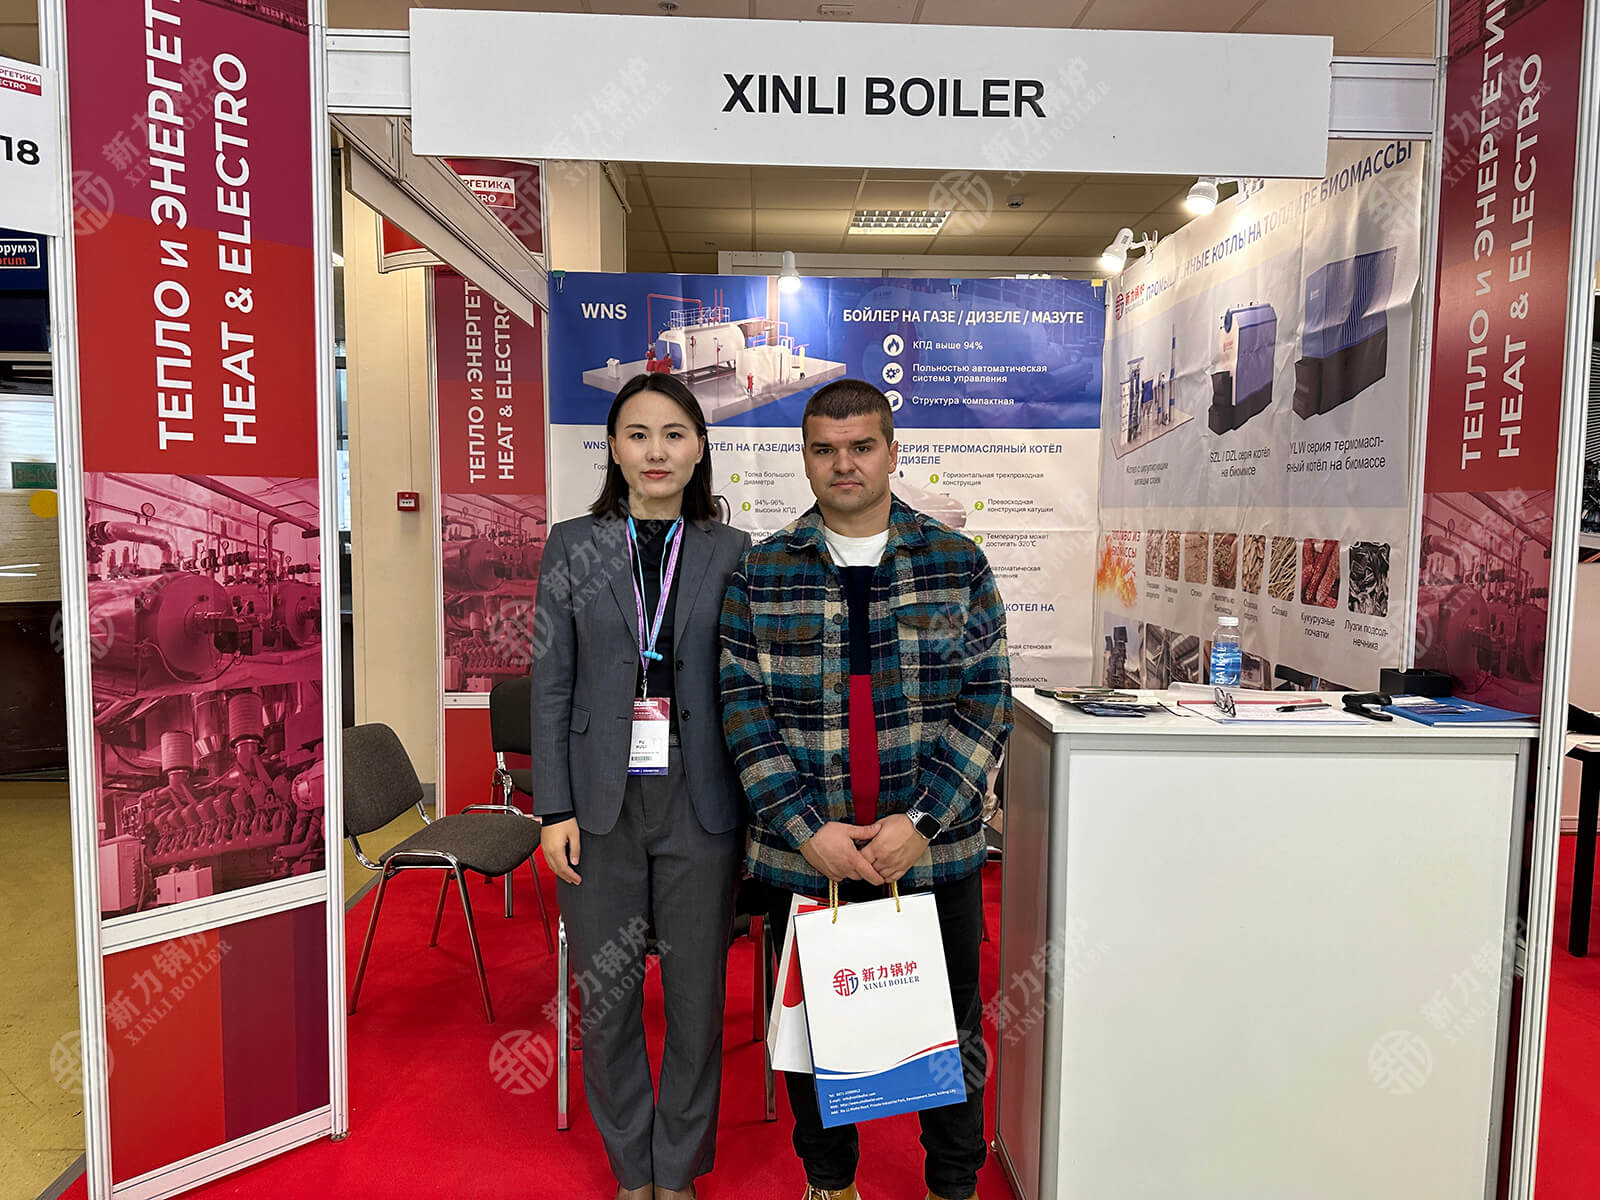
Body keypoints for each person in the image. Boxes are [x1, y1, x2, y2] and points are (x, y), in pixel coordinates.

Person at [720, 379, 1013, 1200]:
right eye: (824, 449)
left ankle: (952, 1184)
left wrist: (920, 822)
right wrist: (803, 828)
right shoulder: (762, 572)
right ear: (805, 458)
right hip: (807, 857)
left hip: (931, 851)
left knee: (950, 1029)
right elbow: (742, 710)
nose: (842, 464)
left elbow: (987, 703)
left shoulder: (957, 564)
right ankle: (830, 1183)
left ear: (891, 451)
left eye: (860, 447)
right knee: (814, 1035)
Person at [530, 373, 750, 1200]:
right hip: (598, 799)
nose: (656, 451)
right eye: (638, 434)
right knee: (609, 994)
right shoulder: (573, 546)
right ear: (614, 450)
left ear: (699, 449)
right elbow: (551, 683)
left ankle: (678, 1168)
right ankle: (632, 1169)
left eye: (674, 434)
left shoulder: (732, 551)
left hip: (702, 798)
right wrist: (553, 807)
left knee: (696, 998)